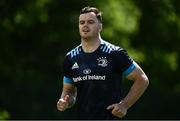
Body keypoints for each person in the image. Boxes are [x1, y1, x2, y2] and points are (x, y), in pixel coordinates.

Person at [57, 6, 149, 120]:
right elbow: (68, 92)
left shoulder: (114, 53)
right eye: (82, 22)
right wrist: (65, 102)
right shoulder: (70, 58)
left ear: (100, 27)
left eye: (90, 22)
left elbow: (142, 79)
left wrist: (124, 105)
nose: (85, 25)